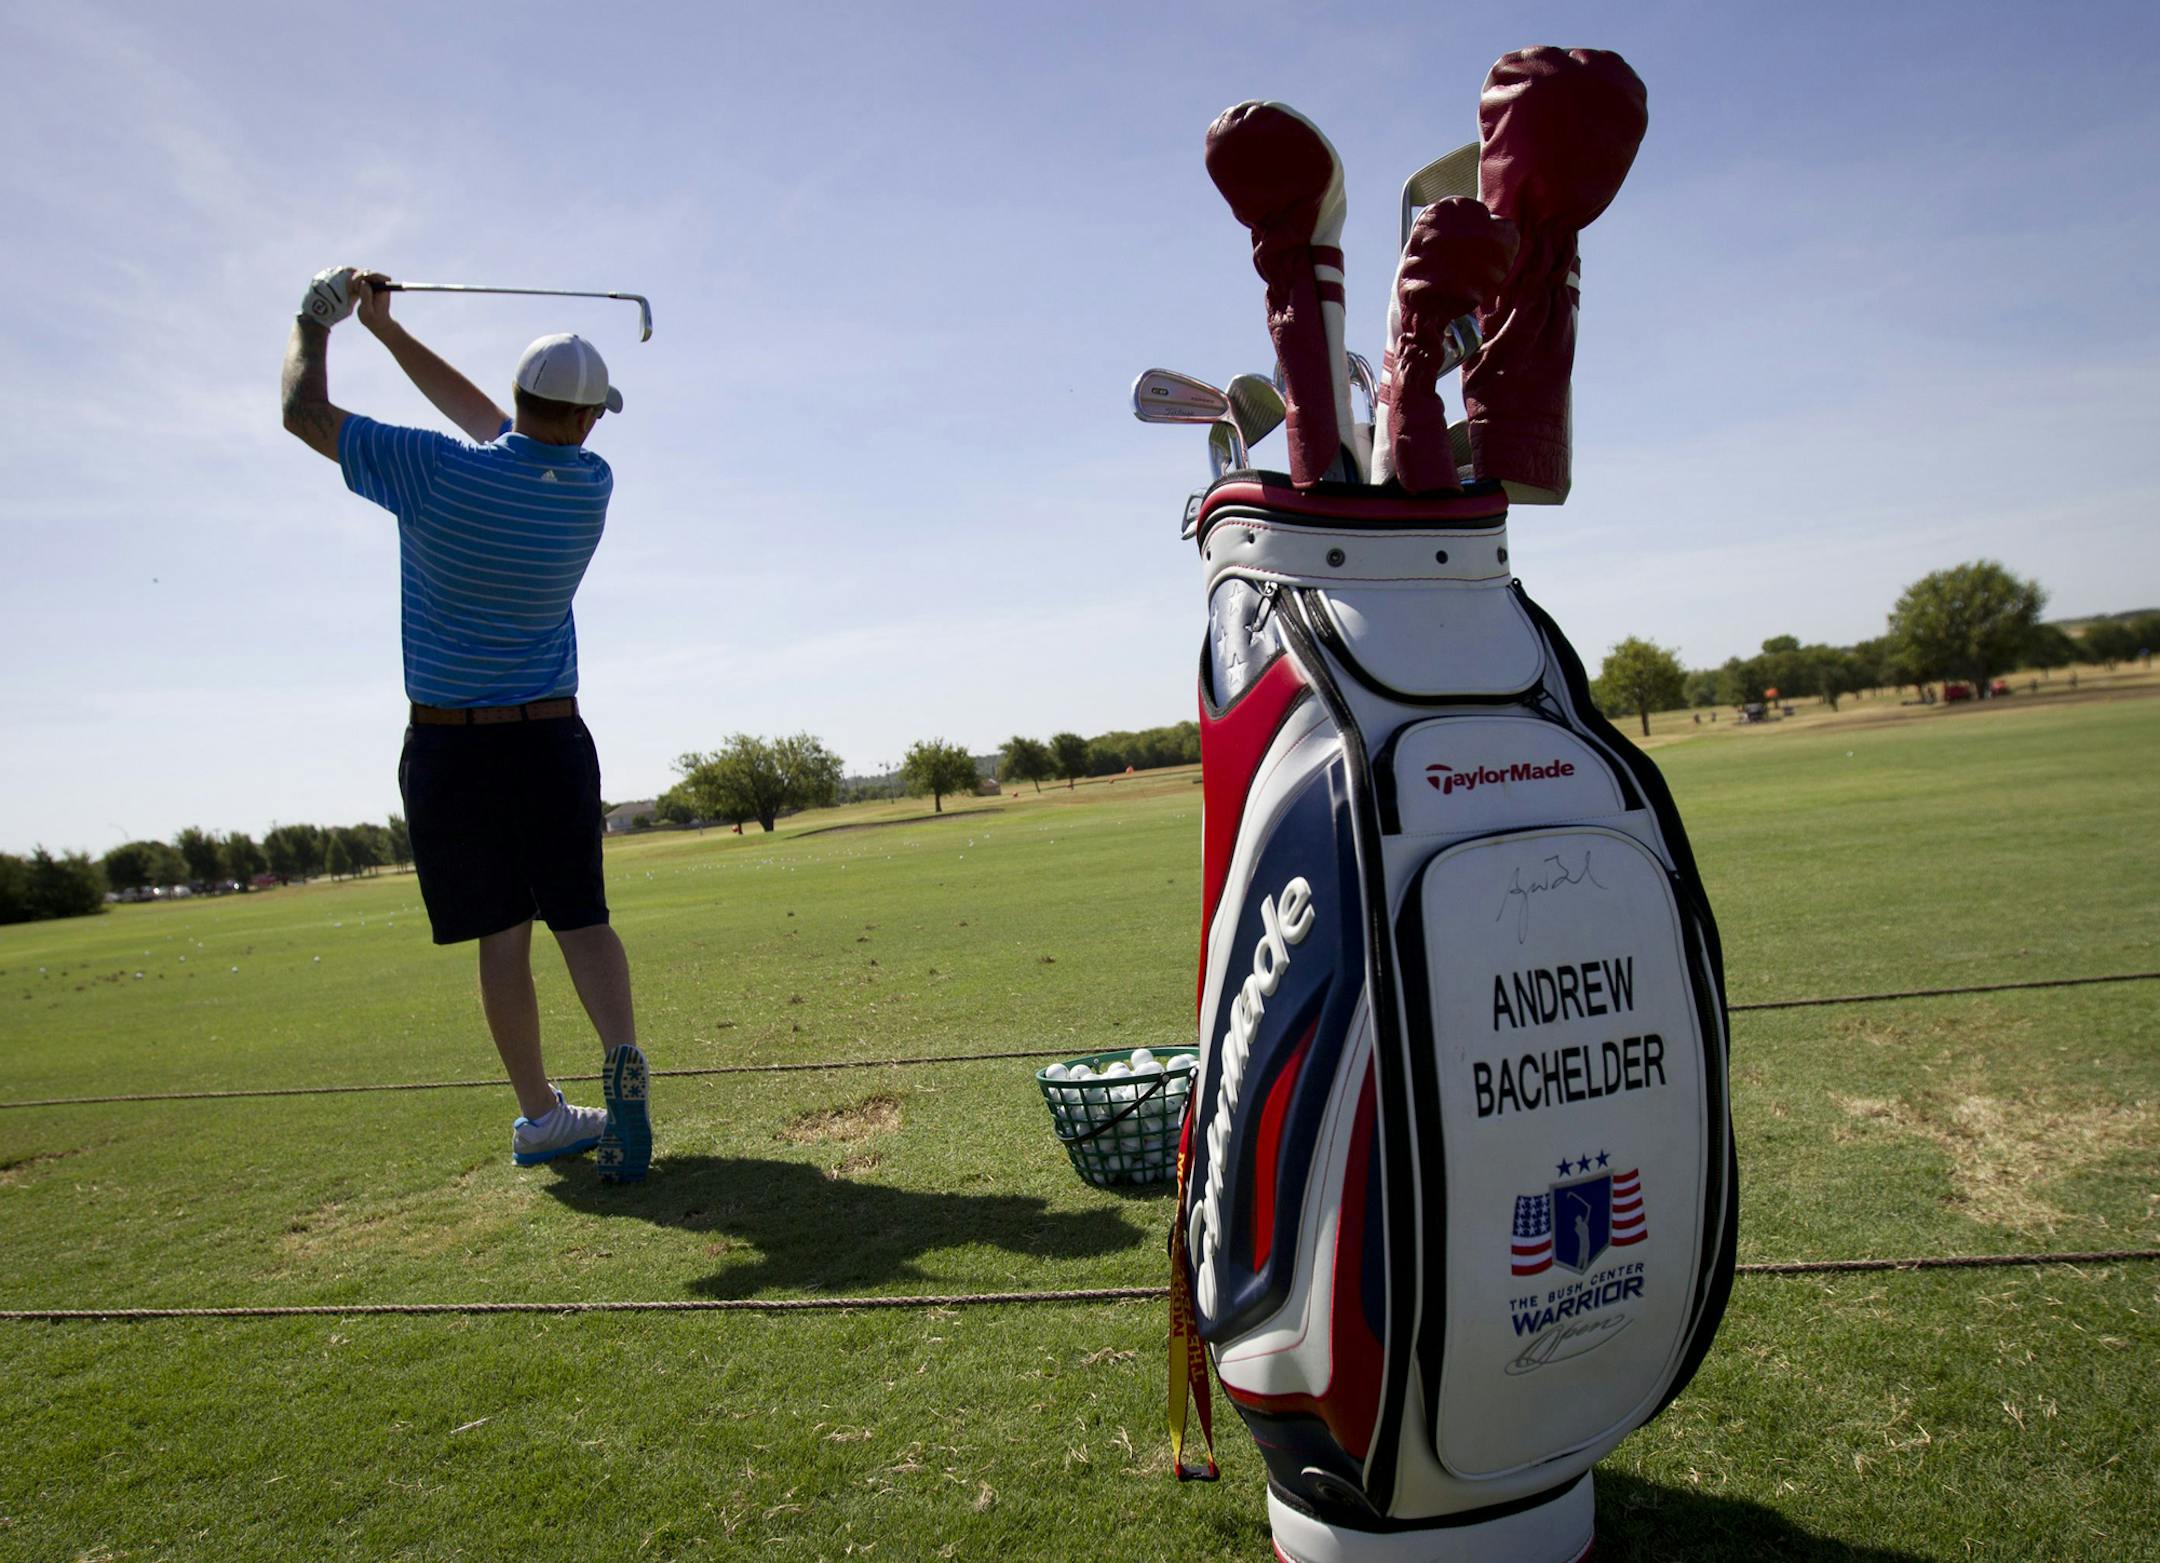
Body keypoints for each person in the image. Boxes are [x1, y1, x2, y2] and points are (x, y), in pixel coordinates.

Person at [280, 266, 650, 1182]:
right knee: (583, 918)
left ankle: (543, 1114)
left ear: (522, 399)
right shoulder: (588, 485)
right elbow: (498, 427)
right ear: (588, 419)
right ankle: (624, 1063)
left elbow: (303, 411)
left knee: (501, 932)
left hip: (450, 744)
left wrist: (319, 323)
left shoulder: (432, 471)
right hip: (551, 740)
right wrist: (388, 332)